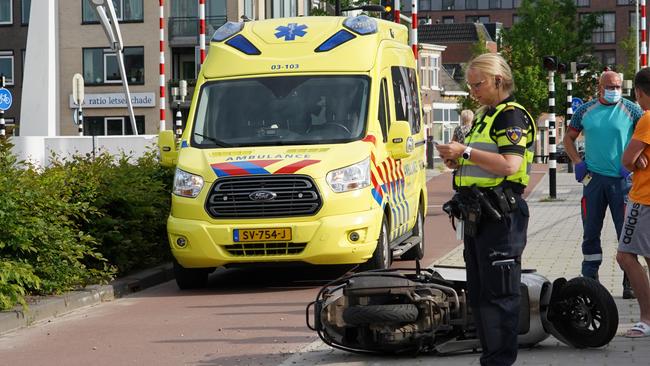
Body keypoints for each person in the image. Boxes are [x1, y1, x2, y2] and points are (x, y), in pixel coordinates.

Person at [436, 53, 536, 366]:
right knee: (480, 293)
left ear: (497, 80)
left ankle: (500, 360)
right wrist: (457, 159)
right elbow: (479, 158)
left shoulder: (510, 116)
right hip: (479, 214)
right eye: (470, 85)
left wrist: (465, 151)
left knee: (500, 294)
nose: (473, 91)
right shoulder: (485, 116)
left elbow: (510, 164)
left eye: (477, 84)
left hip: (500, 215)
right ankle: (490, 358)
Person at [563, 70, 643, 299]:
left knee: (626, 234)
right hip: (594, 181)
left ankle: (629, 281)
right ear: (600, 88)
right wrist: (577, 161)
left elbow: (646, 136)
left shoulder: (632, 110)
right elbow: (568, 138)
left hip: (623, 181)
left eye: (618, 86)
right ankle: (590, 278)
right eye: (610, 86)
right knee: (590, 232)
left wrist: (637, 159)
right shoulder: (584, 111)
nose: (615, 90)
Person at [617, 67, 650, 337]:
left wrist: (633, 158)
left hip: (644, 198)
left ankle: (646, 319)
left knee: (625, 256)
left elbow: (627, 160)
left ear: (639, 92)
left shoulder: (647, 118)